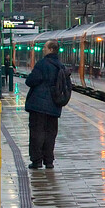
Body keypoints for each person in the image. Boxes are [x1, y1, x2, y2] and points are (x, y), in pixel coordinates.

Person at [25, 39, 64, 169]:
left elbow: (31, 81)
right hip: (54, 105)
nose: (43, 49)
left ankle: (36, 161)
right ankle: (49, 161)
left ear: (51, 49)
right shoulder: (60, 66)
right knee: (50, 134)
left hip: (38, 106)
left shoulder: (42, 64)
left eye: (45, 48)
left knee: (37, 133)